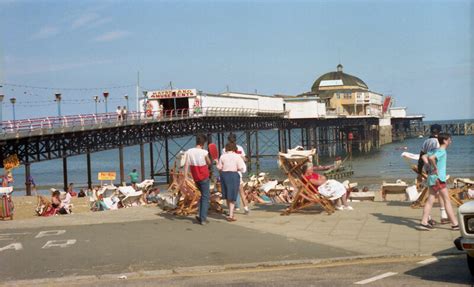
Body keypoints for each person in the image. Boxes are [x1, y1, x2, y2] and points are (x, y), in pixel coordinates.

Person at [418, 133, 459, 231]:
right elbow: (431, 158)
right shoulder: (441, 151)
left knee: (430, 200)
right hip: (438, 179)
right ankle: (454, 224)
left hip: (432, 177)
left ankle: (424, 222)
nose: (451, 141)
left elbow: (424, 156)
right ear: (445, 141)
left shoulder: (434, 150)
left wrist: (428, 166)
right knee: (446, 200)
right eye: (449, 139)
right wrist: (435, 168)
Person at [417, 124, 449, 225]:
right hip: (436, 171)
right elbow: (435, 157)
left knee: (432, 193)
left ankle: (429, 217)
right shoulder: (438, 142)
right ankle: (442, 216)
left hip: (428, 170)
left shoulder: (426, 141)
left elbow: (421, 156)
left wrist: (419, 171)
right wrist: (436, 168)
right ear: (439, 132)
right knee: (437, 194)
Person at [183, 134, 212, 225]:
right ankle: (202, 218)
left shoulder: (189, 151)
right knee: (205, 196)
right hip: (204, 176)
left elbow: (186, 164)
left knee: (201, 196)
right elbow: (209, 162)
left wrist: (185, 176)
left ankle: (200, 214)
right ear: (203, 143)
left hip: (195, 177)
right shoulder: (204, 152)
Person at [217, 142, 247, 222]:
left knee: (227, 195)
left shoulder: (222, 156)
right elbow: (242, 168)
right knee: (233, 196)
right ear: (234, 149)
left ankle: (231, 214)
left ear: (226, 148)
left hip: (224, 175)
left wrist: (217, 163)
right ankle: (231, 215)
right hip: (233, 175)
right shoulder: (237, 156)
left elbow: (219, 167)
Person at [224, 133, 250, 214]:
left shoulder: (224, 149)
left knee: (229, 192)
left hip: (227, 173)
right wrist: (246, 159)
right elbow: (244, 159)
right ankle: (245, 208)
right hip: (237, 172)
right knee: (241, 191)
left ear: (228, 140)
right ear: (235, 139)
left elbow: (223, 161)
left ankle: (231, 210)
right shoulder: (240, 148)